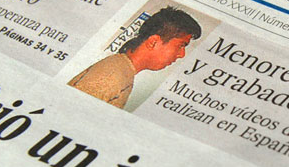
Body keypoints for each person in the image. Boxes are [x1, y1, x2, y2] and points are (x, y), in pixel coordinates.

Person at [68, 6, 201, 108]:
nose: (182, 54)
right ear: (153, 42)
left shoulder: (122, 70)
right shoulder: (111, 77)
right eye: (181, 45)